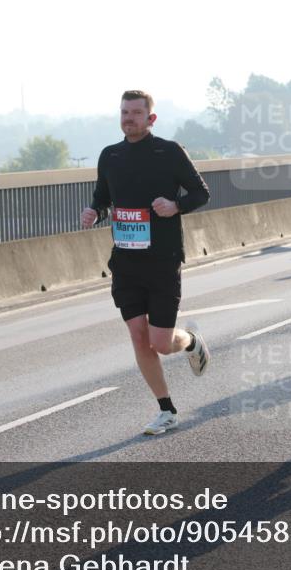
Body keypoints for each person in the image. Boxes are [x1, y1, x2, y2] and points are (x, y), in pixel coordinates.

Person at [80, 90, 212, 436]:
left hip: (162, 260)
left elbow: (201, 193)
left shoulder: (168, 152)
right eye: (125, 112)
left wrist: (175, 206)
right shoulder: (110, 156)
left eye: (136, 113)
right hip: (125, 262)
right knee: (138, 337)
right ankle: (166, 409)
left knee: (160, 343)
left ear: (150, 119)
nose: (129, 118)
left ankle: (191, 341)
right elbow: (102, 199)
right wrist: (94, 213)